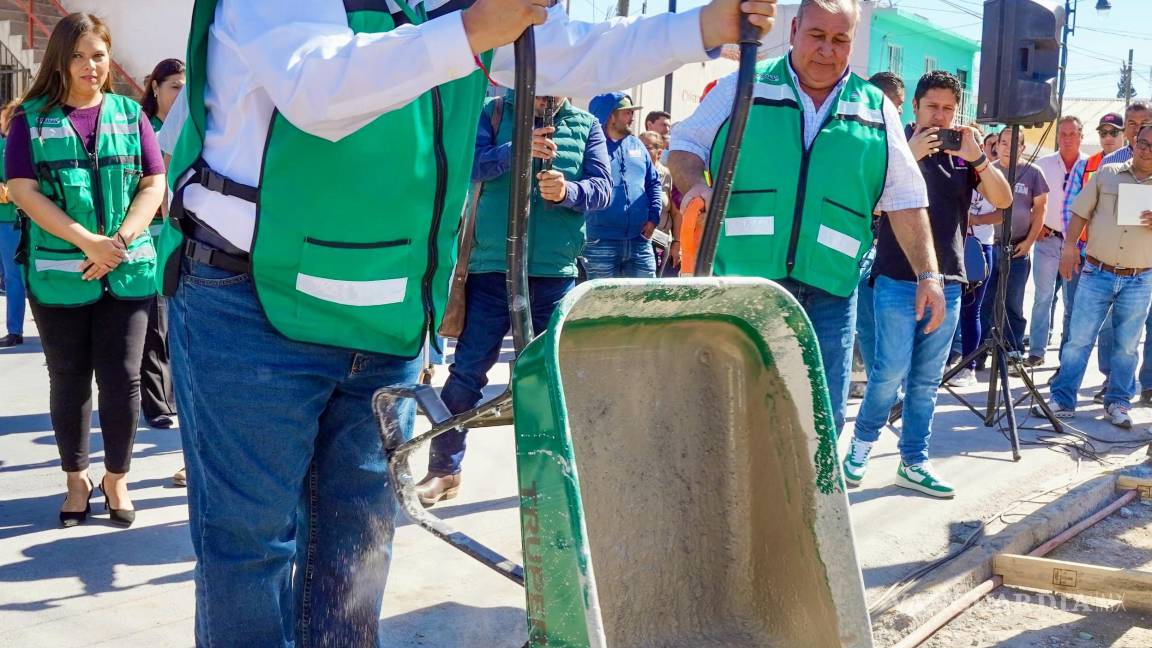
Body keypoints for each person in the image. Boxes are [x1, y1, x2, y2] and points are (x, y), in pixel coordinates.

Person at [160, 0, 777, 644]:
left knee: (357, 550)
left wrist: (701, 26)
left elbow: (562, 48)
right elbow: (316, 88)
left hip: (386, 316)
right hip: (252, 306)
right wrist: (476, 27)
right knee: (250, 549)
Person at [669, 0, 944, 437]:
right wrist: (694, 183)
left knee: (821, 421)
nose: (827, 50)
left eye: (840, 40)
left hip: (830, 293)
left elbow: (907, 199)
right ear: (794, 29)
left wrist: (929, 274)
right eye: (817, 36)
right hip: (746, 286)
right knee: (737, 414)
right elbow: (685, 143)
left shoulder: (875, 108)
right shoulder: (745, 85)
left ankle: (808, 505)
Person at [6, 13, 166, 528]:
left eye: (98, 55)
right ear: (60, 58)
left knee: (122, 380)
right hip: (60, 274)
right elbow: (23, 190)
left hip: (127, 270)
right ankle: (76, 479)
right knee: (69, 380)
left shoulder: (128, 113)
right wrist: (88, 242)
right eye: (78, 56)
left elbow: (153, 182)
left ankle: (116, 477)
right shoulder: (30, 118)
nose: (90, 66)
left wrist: (117, 242)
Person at [416, 93, 610, 505]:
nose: (545, 93)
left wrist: (568, 192)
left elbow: (603, 189)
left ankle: (552, 478)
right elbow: (468, 164)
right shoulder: (494, 111)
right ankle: (444, 470)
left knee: (551, 381)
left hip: (553, 274)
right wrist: (515, 149)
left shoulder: (587, 125)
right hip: (492, 268)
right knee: (467, 373)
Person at [842, 71, 1012, 497]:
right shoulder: (891, 140)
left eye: (948, 109)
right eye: (932, 107)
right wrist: (906, 155)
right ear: (914, 107)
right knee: (890, 370)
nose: (940, 116)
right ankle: (859, 448)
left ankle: (914, 461)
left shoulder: (963, 152)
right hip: (897, 277)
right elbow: (864, 199)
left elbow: (1004, 200)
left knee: (925, 379)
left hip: (949, 280)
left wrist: (978, 158)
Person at [1037, 124, 1152, 429]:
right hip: (1097, 272)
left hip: (1139, 279)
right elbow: (1080, 212)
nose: (1145, 150)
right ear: (1134, 142)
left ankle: (1118, 402)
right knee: (1078, 340)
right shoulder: (1107, 172)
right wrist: (1070, 247)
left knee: (1128, 346)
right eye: (1142, 143)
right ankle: (1062, 399)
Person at [1059, 112, 1126, 401]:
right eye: (1103, 133)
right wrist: (1070, 246)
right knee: (1073, 316)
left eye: (1114, 132)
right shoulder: (1087, 165)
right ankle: (1065, 376)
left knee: (1110, 324)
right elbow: (1070, 207)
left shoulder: (1136, 170)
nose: (1108, 137)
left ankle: (1109, 379)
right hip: (1082, 254)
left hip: (1110, 260)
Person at [851, 70, 906, 399]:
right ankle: (882, 392)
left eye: (901, 105)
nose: (899, 111)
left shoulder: (901, 138)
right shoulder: (857, 136)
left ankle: (886, 389)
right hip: (861, 244)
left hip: (892, 247)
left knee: (885, 325)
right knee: (868, 324)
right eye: (895, 103)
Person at [137, 58, 185, 429]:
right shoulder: (143, 127)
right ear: (155, 87)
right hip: (147, 239)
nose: (181, 95)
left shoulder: (190, 126)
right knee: (153, 325)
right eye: (174, 87)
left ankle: (173, 399)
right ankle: (158, 404)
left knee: (175, 327)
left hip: (179, 240)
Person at [980, 129, 1048, 358]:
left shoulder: (1033, 173)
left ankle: (1013, 350)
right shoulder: (986, 171)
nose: (1008, 148)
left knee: (1013, 304)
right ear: (996, 145)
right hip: (987, 248)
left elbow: (1040, 211)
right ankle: (978, 352)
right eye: (1003, 142)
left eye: (1014, 144)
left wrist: (1029, 243)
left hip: (1017, 249)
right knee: (984, 302)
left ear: (1022, 148)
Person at [583, 92, 663, 279]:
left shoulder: (637, 145)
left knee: (645, 301)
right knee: (602, 304)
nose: (632, 118)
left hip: (639, 240)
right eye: (627, 112)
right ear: (610, 116)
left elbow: (653, 183)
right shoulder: (590, 147)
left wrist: (653, 218)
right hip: (600, 241)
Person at [1028, 116, 1086, 367]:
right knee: (1043, 297)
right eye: (1063, 134)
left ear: (1081, 136)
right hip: (1048, 239)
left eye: (1072, 134)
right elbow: (1028, 200)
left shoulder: (1091, 165)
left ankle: (1066, 356)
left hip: (1079, 245)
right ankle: (1037, 351)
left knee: (1073, 303)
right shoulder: (1043, 164)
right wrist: (1035, 225)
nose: (1067, 139)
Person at [949, 130, 1001, 387]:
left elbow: (1003, 211)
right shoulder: (953, 168)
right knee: (948, 308)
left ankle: (968, 367)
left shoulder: (991, 175)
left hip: (980, 247)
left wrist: (975, 219)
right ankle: (946, 362)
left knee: (971, 310)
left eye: (977, 142)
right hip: (951, 246)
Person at [0, 100, 24, 348]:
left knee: (14, 276)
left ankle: (15, 330)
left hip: (12, 221)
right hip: (10, 219)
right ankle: (15, 329)